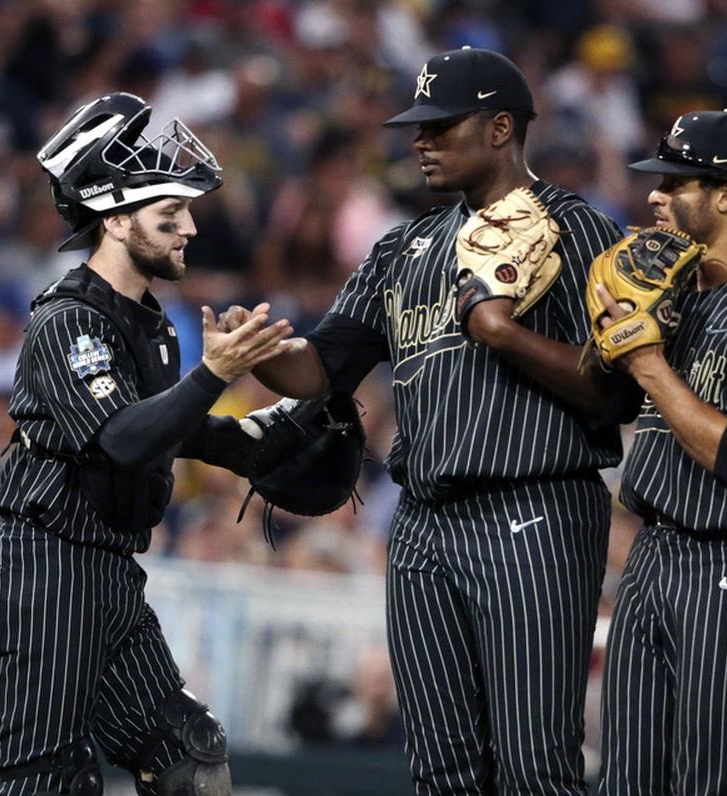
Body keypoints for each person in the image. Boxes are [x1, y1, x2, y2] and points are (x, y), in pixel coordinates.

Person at [221, 48, 624, 793]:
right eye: (418, 127)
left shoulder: (580, 232)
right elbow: (323, 366)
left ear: (501, 127)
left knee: (535, 764)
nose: (420, 141)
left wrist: (504, 332)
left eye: (441, 127)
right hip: (423, 522)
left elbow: (615, 392)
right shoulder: (405, 245)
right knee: (441, 769)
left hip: (534, 506)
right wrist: (256, 353)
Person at [0, 92, 294, 794]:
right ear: (116, 220)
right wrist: (216, 374)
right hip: (48, 566)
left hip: (112, 570)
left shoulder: (152, 323)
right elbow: (120, 438)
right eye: (169, 215)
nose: (188, 232)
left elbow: (162, 428)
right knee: (47, 781)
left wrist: (255, 442)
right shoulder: (69, 319)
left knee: (191, 757)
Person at [590, 110, 727, 794]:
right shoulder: (674, 287)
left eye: (676, 181)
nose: (654, 195)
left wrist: (648, 361)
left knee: (708, 778)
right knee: (626, 776)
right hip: (655, 551)